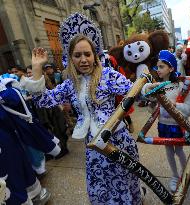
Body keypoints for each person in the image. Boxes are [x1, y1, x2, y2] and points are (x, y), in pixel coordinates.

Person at [23, 34, 142, 204]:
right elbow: (44, 100)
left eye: (87, 54)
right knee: (102, 187)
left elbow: (135, 92)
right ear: (71, 58)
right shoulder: (70, 83)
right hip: (93, 145)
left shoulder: (108, 75)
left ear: (95, 55)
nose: (83, 60)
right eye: (77, 55)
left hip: (118, 141)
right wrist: (36, 68)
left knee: (125, 182)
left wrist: (150, 86)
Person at [0, 73, 61, 204]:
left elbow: (16, 99)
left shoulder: (6, 87)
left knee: (17, 171)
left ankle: (32, 194)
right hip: (9, 141)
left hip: (10, 141)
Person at [142, 50, 190, 192]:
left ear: (171, 68)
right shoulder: (158, 86)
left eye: (161, 67)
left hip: (176, 126)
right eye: (157, 67)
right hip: (163, 125)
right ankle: (174, 176)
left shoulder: (181, 86)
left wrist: (175, 106)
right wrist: (151, 101)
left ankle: (185, 174)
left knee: (178, 150)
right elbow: (149, 100)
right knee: (168, 151)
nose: (158, 70)